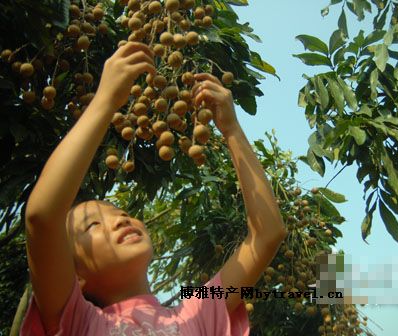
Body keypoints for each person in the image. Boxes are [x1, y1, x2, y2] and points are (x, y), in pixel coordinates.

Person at [21, 41, 287, 335]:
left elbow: (267, 234)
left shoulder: (197, 312)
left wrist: (233, 130)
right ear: (76, 276)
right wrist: (105, 101)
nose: (120, 219)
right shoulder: (77, 322)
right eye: (93, 225)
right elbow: (42, 218)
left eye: (120, 212)